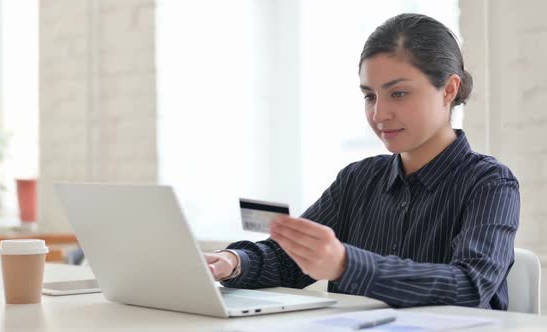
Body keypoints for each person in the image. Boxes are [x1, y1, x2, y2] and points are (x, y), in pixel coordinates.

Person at [205, 13, 519, 310]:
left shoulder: (490, 183)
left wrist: (346, 264)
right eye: (370, 96)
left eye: (398, 94)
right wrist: (233, 261)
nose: (379, 114)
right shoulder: (358, 179)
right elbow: (290, 262)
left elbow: (470, 287)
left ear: (448, 90)